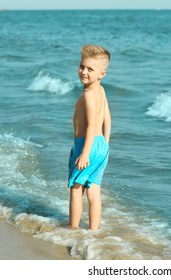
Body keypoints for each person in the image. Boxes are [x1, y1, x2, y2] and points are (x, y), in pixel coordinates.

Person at [68, 44, 111, 230]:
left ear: (102, 74)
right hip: (101, 145)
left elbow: (93, 124)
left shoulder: (87, 94)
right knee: (94, 190)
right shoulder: (101, 91)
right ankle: (94, 231)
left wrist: (85, 153)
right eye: (81, 66)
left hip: (86, 145)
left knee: (76, 189)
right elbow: (108, 117)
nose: (83, 72)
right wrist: (106, 143)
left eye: (90, 69)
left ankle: (73, 229)